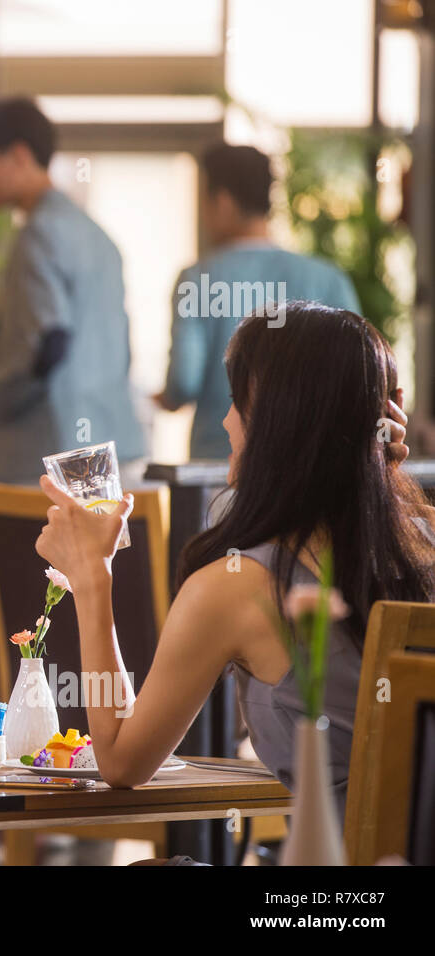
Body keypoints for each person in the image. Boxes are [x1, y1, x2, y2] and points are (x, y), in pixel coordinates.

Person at [34, 302, 428, 828]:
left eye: (238, 402)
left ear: (277, 424)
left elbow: (123, 762)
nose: (226, 421)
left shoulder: (237, 588)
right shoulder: (423, 546)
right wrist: (378, 467)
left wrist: (90, 577)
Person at [0, 97, 145, 484]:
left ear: (18, 155)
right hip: (109, 449)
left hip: (49, 458)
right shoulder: (98, 235)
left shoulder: (38, 233)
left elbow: (49, 341)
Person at [157, 143, 361, 459]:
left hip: (219, 462)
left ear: (222, 202)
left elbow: (184, 382)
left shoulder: (197, 279)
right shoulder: (327, 278)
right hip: (307, 463)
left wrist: (162, 399)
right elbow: (357, 375)